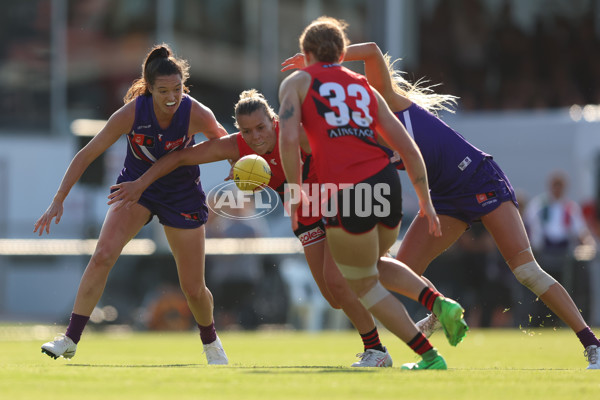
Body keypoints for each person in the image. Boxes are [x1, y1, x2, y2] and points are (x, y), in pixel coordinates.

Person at [284, 40, 600, 369]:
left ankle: (593, 344)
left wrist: (323, 62)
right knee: (394, 272)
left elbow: (374, 51)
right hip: (445, 199)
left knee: (526, 271)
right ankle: (431, 323)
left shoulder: (384, 102)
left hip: (478, 178)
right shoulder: (353, 132)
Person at [109, 87, 468, 369]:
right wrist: (141, 182)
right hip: (307, 217)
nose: (256, 136)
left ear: (274, 120)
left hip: (339, 199)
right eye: (247, 131)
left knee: (349, 276)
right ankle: (421, 315)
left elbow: (344, 148)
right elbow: (182, 156)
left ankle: (382, 344)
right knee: (334, 292)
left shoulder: (298, 134)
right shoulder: (240, 147)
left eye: (262, 127)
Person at [277, 16, 468, 370]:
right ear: (341, 51)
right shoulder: (363, 85)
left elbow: (287, 140)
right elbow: (408, 147)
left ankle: (426, 355)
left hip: (348, 189)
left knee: (362, 283)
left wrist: (296, 191)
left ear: (305, 53)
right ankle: (437, 302)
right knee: (371, 267)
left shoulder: (297, 82)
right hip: (385, 184)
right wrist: (425, 199)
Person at [34, 44, 229, 365]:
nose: (171, 97)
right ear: (149, 89)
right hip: (135, 191)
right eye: (163, 90)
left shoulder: (196, 113)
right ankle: (69, 338)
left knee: (193, 288)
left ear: (185, 86)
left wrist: (244, 167)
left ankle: (210, 341)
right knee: (102, 256)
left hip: (181, 194)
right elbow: (87, 154)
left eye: (178, 89)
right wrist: (58, 200)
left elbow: (223, 144)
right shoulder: (131, 114)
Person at [524, 170, 597, 325]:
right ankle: (538, 321)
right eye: (555, 185)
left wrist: (590, 245)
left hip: (564, 256)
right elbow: (528, 229)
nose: (557, 189)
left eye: (560, 186)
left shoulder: (570, 208)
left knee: (566, 286)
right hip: (543, 254)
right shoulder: (539, 205)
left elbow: (581, 231)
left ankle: (560, 320)